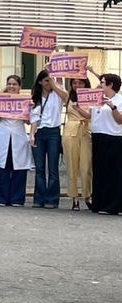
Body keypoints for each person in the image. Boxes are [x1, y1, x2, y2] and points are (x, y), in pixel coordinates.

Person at [0, 74, 33, 207]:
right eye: (9, 84)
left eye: (14, 84)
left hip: (19, 135)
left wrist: (29, 109)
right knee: (4, 165)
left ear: (20, 87)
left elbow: (28, 122)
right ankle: (2, 198)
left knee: (19, 167)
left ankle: (17, 198)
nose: (11, 86)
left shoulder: (24, 100)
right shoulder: (1, 99)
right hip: (3, 134)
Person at [29, 69, 67, 209]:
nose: (48, 83)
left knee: (52, 168)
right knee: (39, 168)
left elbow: (65, 96)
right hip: (39, 132)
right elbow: (33, 117)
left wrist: (54, 83)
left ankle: (51, 199)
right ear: (40, 82)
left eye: (50, 80)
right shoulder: (36, 97)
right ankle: (39, 198)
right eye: (46, 80)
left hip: (53, 132)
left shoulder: (56, 94)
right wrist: (32, 134)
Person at [88, 73, 122, 215]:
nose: (100, 85)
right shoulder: (97, 99)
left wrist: (113, 107)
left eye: (102, 82)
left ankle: (113, 205)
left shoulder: (119, 100)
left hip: (113, 138)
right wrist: (79, 108)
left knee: (113, 173)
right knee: (99, 171)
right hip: (98, 136)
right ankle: (98, 203)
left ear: (110, 85)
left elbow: (120, 120)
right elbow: (90, 115)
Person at [65, 76, 93, 211]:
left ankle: (88, 195)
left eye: (80, 82)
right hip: (71, 132)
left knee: (86, 167)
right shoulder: (68, 96)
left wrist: (92, 71)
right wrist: (50, 68)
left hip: (86, 131)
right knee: (72, 165)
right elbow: (54, 84)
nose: (77, 85)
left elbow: (106, 83)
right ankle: (74, 198)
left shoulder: (92, 96)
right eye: (74, 83)